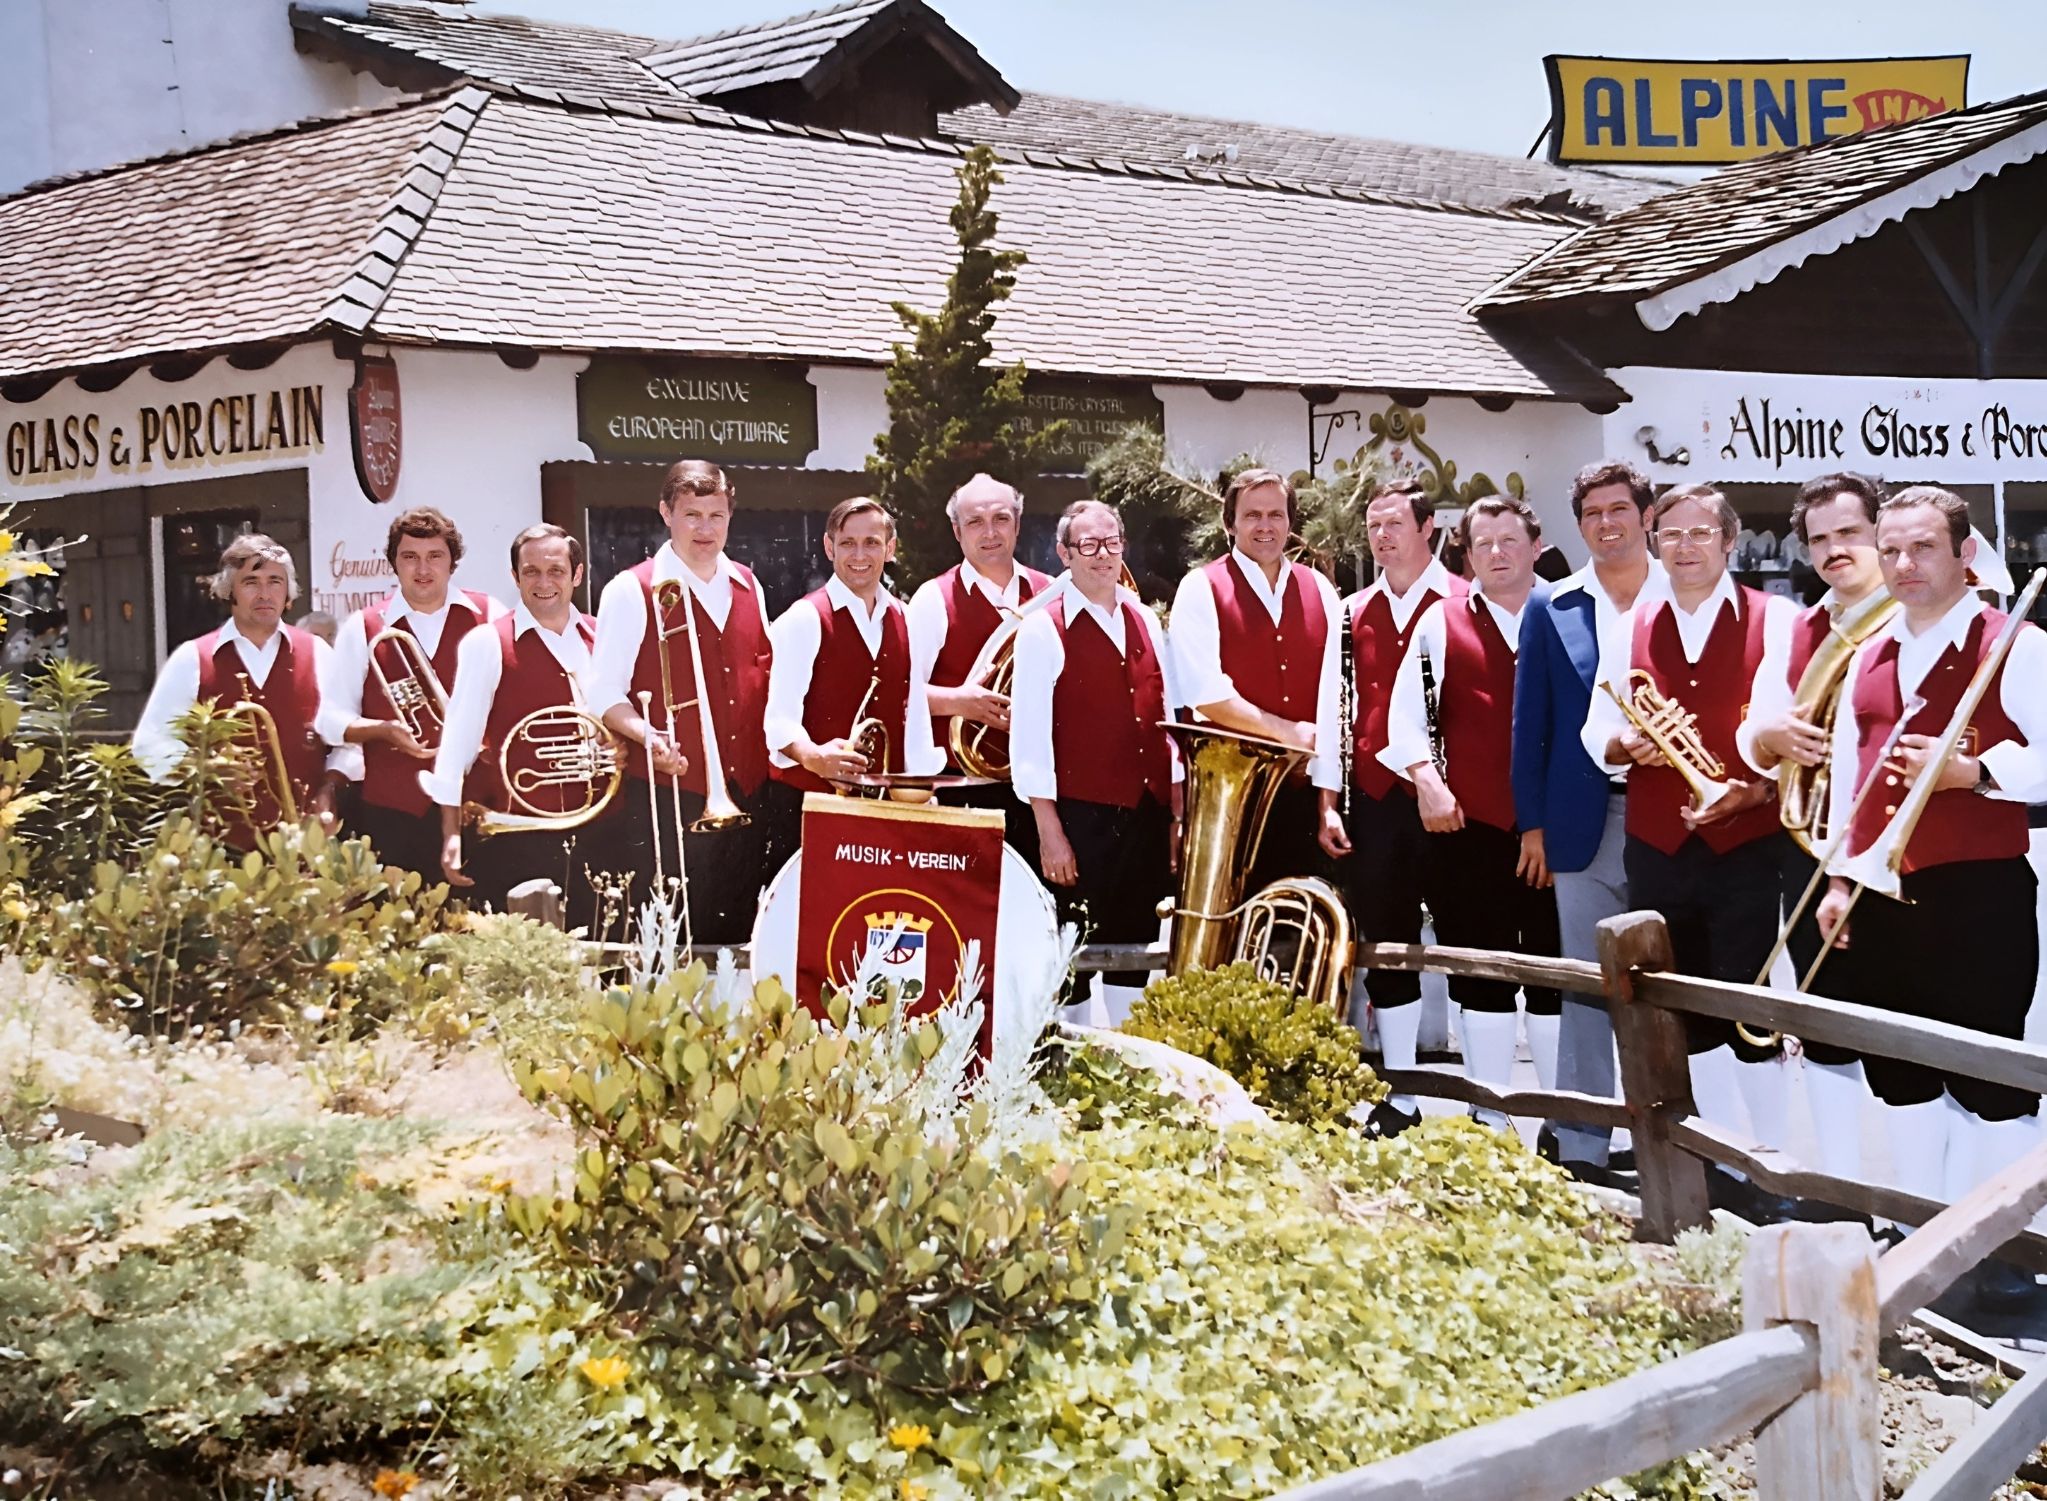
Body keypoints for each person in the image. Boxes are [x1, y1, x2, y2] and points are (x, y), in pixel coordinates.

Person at [1813, 487, 2047, 1306]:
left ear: (1961, 554)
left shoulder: (2013, 645)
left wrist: (1974, 774)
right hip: (1882, 893)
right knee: (1900, 1075)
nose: (1905, 565)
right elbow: (1849, 780)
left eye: (1923, 548)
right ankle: (1921, 1235)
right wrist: (1840, 878)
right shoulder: (1868, 653)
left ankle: (1999, 1248)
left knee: (1989, 1081)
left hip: (1976, 892)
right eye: (1894, 549)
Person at [1582, 483, 1797, 1215]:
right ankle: (1716, 1163)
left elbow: (1790, 732)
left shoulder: (1777, 620)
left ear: (1728, 541)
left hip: (1743, 842)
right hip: (1657, 843)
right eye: (1668, 533)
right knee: (1680, 1010)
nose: (1683, 546)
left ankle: (1772, 1168)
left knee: (1746, 1005)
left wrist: (1751, 787)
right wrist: (1622, 742)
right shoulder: (1628, 623)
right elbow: (1593, 732)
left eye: (1698, 533)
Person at [1380, 495, 1560, 1129]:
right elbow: (1404, 722)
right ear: (1467, 553)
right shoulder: (1440, 622)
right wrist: (1427, 783)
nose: (1496, 553)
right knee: (1480, 972)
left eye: (1509, 540)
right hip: (1472, 832)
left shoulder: (1568, 613)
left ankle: (1559, 1123)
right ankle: (1491, 1115)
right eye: (1483, 544)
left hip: (1556, 834)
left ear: (1535, 545)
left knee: (1553, 977)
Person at [1740, 473, 1894, 1188]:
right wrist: (1765, 732)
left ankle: (1910, 1208)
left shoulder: (1911, 617)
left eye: (1848, 533)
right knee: (1829, 1031)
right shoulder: (1797, 627)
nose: (1835, 549)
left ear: (1878, 531)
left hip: (1899, 857)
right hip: (1810, 848)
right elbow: (1753, 736)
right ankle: (1839, 1191)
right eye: (1821, 538)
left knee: (1903, 1040)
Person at [1513, 461, 1661, 1181]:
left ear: (1645, 514)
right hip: (1583, 818)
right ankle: (1582, 1142)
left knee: (1672, 983)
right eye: (1592, 513)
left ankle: (1675, 1136)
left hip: (1673, 817)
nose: (1606, 523)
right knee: (1584, 982)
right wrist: (1531, 825)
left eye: (1618, 509)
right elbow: (1529, 723)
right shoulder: (1553, 604)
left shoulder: (1681, 592)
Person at [1315, 478, 1462, 1137]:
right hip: (1374, 803)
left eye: (1393, 523)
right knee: (1386, 940)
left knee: (1464, 938)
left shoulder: (1463, 601)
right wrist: (1328, 801)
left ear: (1426, 527)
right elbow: (1331, 712)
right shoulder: (1351, 610)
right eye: (1373, 525)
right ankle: (1398, 1091)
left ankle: (1484, 1100)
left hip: (1448, 802)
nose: (1381, 536)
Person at [589, 460, 775, 944]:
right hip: (669, 797)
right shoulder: (631, 589)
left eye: (716, 515)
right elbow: (604, 692)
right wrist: (645, 733)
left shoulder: (749, 585)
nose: (705, 529)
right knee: (672, 937)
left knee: (738, 935)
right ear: (665, 513)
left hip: (745, 792)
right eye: (692, 514)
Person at [1011, 501, 1182, 1022]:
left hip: (1145, 813)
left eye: (1111, 543)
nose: (1102, 555)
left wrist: (1175, 810)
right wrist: (1049, 830)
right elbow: (1030, 739)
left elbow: (1167, 718)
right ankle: (1076, 1065)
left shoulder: (1147, 619)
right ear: (1065, 553)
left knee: (1135, 944)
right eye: (1088, 545)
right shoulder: (1042, 628)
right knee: (1075, 950)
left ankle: (1128, 1060)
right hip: (1080, 817)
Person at [425, 524, 612, 929]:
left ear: (577, 575)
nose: (544, 582)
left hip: (601, 829)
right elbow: (456, 746)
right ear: (515, 578)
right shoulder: (486, 643)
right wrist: (451, 834)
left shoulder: (604, 638)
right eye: (531, 572)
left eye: (556, 570)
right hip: (519, 834)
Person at [1170, 467, 1340, 892]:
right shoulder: (1200, 587)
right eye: (1252, 516)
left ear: (1290, 521)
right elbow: (1205, 694)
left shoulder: (1318, 586)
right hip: (1234, 802)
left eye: (1276, 515)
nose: (1266, 526)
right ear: (1230, 523)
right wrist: (1289, 733)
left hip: (1304, 791)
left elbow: (1338, 687)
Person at [317, 507, 503, 881]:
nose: (423, 569)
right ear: (393, 563)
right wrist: (382, 730)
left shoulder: (490, 615)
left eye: (435, 556)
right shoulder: (363, 626)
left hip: (474, 804)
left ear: (453, 562)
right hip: (393, 811)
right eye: (410, 557)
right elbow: (330, 719)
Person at [132, 533, 350, 849]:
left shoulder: (318, 653)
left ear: (288, 594)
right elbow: (149, 745)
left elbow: (350, 742)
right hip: (220, 852)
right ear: (229, 591)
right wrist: (205, 767)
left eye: (275, 581)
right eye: (251, 582)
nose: (265, 593)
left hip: (305, 847)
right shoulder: (192, 658)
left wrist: (330, 789)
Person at [908, 472, 1055, 860]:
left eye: (1001, 519)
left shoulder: (1051, 592)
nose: (990, 532)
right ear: (957, 532)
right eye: (975, 522)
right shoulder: (933, 598)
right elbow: (898, 695)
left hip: (1039, 792)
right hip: (962, 789)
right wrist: (960, 701)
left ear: (1018, 525)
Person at [764, 497, 940, 818]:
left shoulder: (907, 618)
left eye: (871, 543)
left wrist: (921, 790)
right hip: (806, 805)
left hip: (882, 808)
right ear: (830, 548)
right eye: (848, 543)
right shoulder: (804, 618)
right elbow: (776, 717)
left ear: (890, 549)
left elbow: (914, 716)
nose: (859, 555)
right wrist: (814, 756)